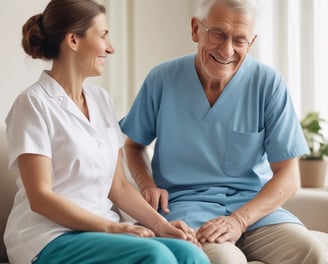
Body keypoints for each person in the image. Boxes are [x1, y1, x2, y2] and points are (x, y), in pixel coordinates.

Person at [119, 0, 328, 263]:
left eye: (239, 40)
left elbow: (289, 174)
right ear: (196, 29)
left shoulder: (268, 84)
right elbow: (133, 145)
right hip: (188, 209)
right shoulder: (162, 79)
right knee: (226, 261)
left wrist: (240, 220)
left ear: (251, 41)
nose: (227, 50)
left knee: (313, 252)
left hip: (255, 212)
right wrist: (147, 184)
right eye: (217, 34)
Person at [4, 1, 211, 264]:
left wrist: (161, 225)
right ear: (73, 40)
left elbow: (120, 187)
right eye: (102, 35)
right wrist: (114, 228)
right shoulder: (33, 103)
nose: (110, 47)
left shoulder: (101, 100)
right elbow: (41, 198)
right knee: (155, 255)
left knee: (190, 253)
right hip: (49, 238)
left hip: (103, 232)